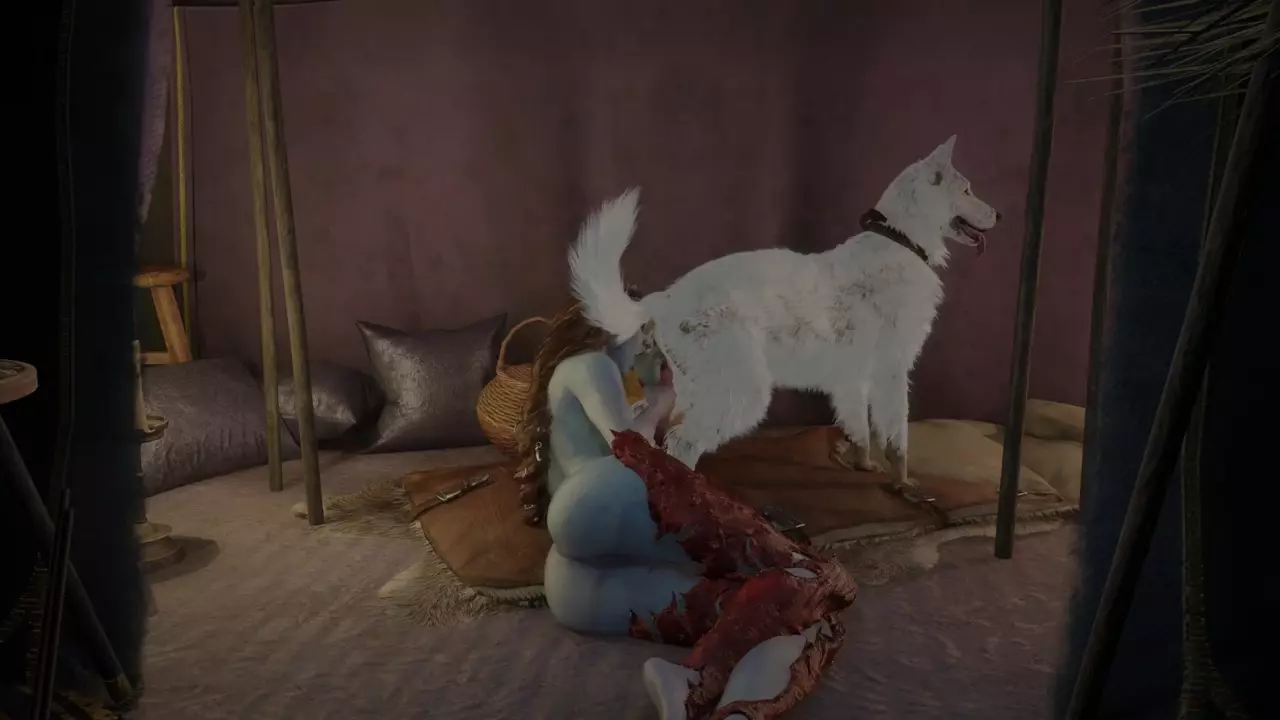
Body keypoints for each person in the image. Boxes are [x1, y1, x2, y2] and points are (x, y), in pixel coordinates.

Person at [513, 300, 858, 720]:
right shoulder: (591, 364)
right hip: (594, 496)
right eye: (645, 340)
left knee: (807, 616)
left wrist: (666, 407)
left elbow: (670, 485)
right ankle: (803, 578)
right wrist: (662, 402)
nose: (650, 354)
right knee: (818, 577)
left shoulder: (612, 383)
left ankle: (719, 702)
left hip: (576, 586)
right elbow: (632, 452)